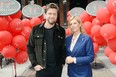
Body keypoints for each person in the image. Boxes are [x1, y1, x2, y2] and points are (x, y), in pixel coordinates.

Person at [27, 3, 66, 77]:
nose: (52, 16)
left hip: (56, 69)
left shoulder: (61, 30)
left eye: (54, 14)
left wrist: (62, 62)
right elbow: (30, 47)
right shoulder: (36, 29)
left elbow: (63, 48)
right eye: (49, 13)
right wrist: (34, 64)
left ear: (57, 16)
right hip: (41, 69)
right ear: (45, 15)